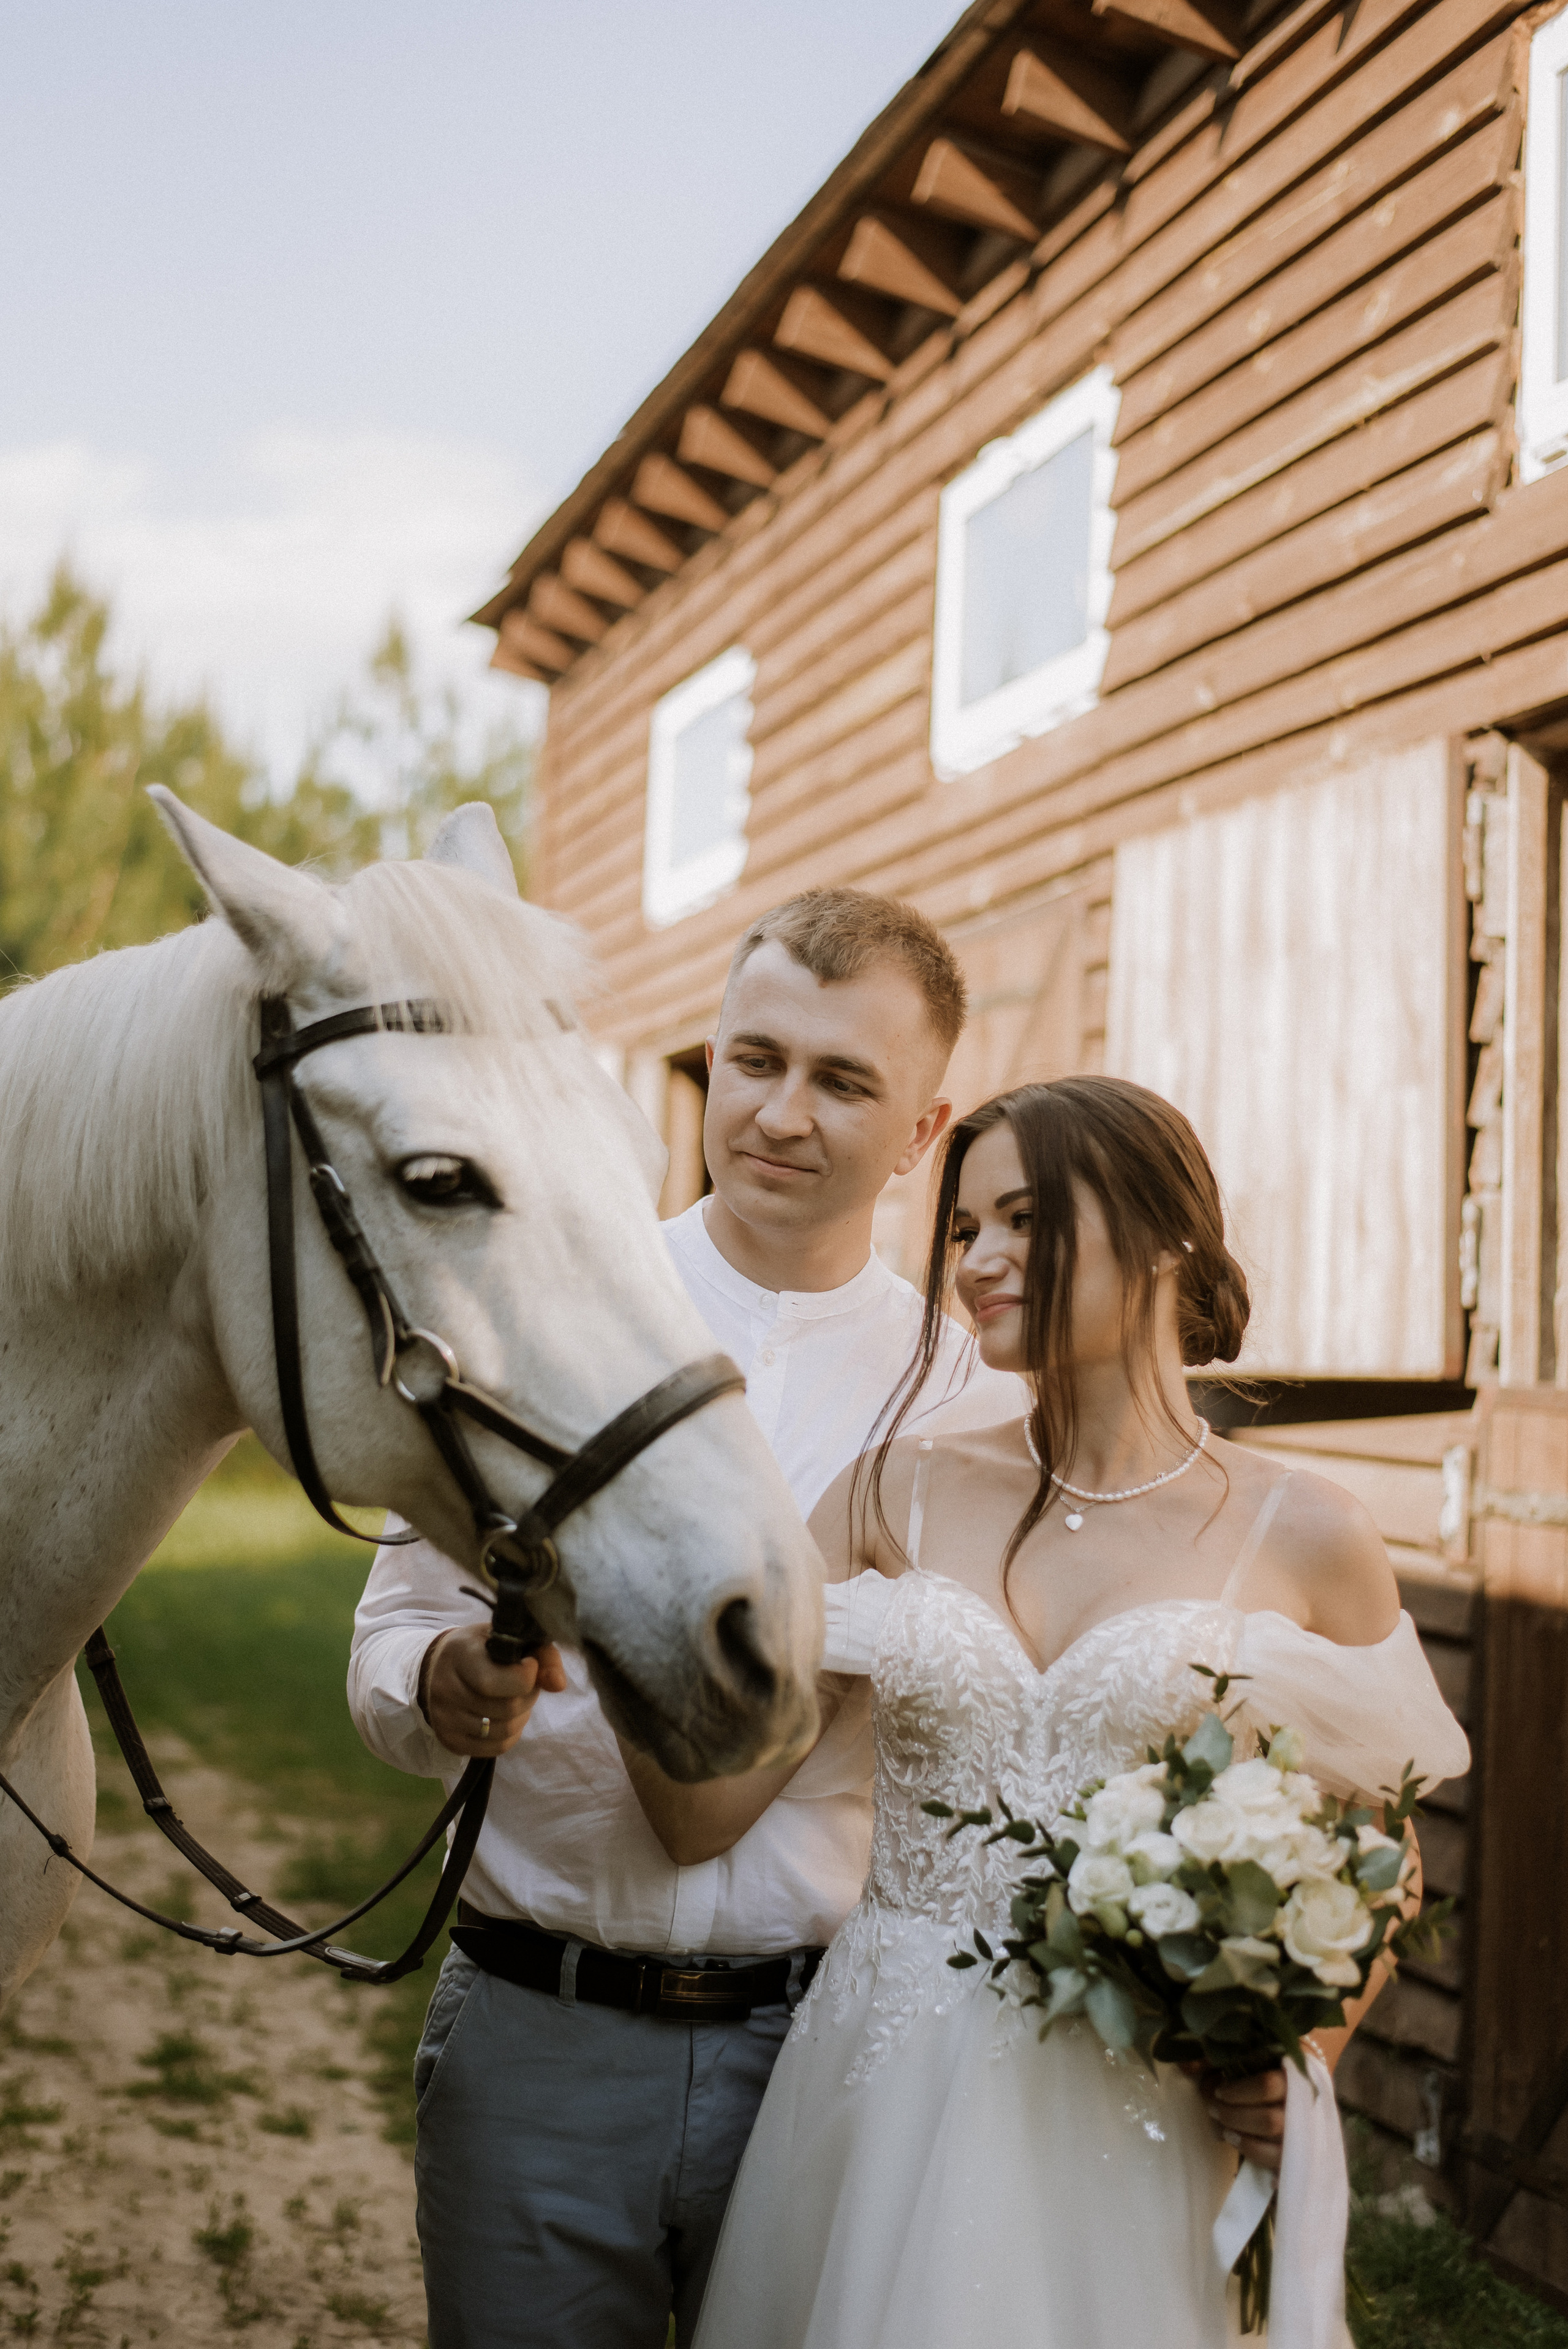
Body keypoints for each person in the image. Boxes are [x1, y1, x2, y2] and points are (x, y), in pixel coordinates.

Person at [669, 1076, 1470, 2349]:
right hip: (881, 2074)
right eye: (962, 1228)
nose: (979, 1261)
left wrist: (1294, 2045)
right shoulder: (894, 1491)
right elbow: (708, 1782)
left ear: (1163, 1238)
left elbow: (1383, 1860)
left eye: (1025, 1221)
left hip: (1137, 2098)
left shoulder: (1304, 1530)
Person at [346, 887, 1021, 2349]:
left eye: (843, 1081)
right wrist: (440, 1679)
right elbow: (390, 1635)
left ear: (922, 1132)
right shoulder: (531, 1307)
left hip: (829, 2052)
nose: (780, 1113)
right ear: (707, 1059)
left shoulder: (972, 1404)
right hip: (539, 2034)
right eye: (754, 1058)